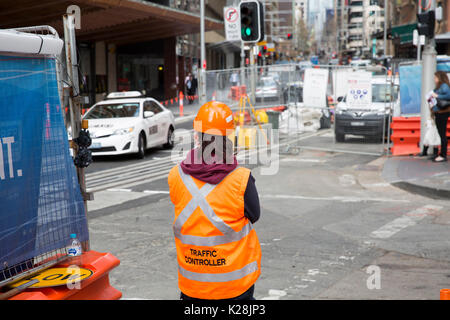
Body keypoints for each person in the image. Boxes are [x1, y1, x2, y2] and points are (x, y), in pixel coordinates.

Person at [168, 101, 262, 300]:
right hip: (234, 288)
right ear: (228, 138)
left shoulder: (176, 176)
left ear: (197, 136)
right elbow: (254, 215)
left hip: (193, 287)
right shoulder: (241, 179)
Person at [431, 71, 450, 162]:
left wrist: (436, 95)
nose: (434, 80)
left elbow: (448, 95)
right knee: (440, 133)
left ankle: (443, 155)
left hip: (442, 112)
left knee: (442, 134)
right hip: (439, 112)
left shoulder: (444, 86)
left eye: (435, 78)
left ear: (440, 78)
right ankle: (440, 153)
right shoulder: (441, 86)